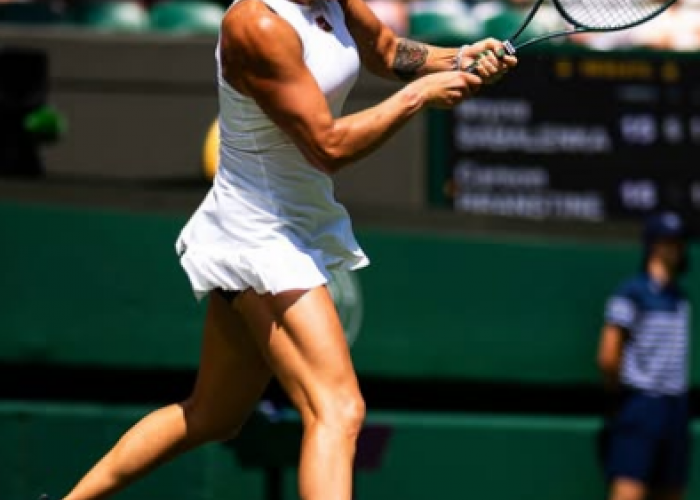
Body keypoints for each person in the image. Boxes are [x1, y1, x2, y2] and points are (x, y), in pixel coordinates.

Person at [48, 1, 516, 500]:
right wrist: (418, 96)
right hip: (260, 234)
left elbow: (385, 50)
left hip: (291, 222)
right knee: (337, 408)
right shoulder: (257, 25)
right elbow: (328, 147)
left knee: (212, 415)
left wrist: (459, 57)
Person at [597, 211, 693, 500]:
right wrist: (622, 397)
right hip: (641, 404)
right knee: (629, 491)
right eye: (669, 241)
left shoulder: (680, 298)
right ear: (653, 244)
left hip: (676, 407)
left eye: (679, 242)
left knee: (671, 490)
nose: (676, 249)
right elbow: (608, 355)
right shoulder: (631, 293)